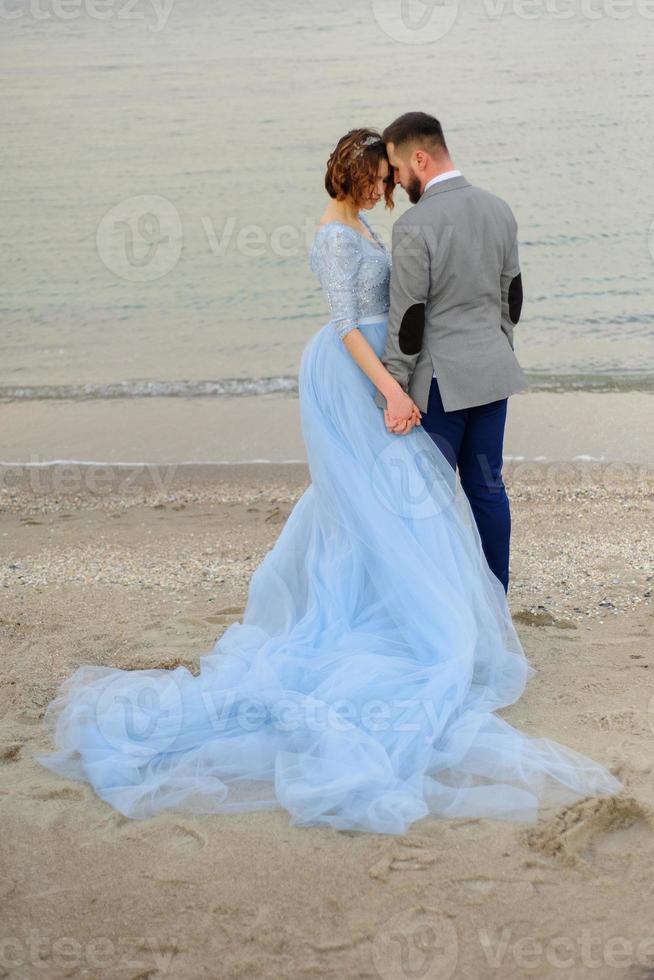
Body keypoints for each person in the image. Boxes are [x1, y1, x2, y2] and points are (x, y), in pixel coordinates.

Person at [35, 126, 623, 837]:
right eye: (379, 178)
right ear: (359, 176)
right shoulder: (334, 236)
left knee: (383, 497)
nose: (387, 188)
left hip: (379, 369)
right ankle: (416, 607)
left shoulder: (364, 229)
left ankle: (428, 604)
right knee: (385, 493)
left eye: (391, 176)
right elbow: (349, 325)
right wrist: (394, 390)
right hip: (355, 374)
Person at [375, 111, 529, 593]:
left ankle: (446, 609)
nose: (397, 183)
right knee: (487, 488)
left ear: (419, 157)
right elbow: (513, 297)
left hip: (441, 389)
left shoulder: (415, 226)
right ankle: (494, 603)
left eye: (398, 170)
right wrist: (497, 350)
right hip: (492, 374)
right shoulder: (498, 208)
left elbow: (409, 322)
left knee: (432, 499)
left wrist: (392, 394)